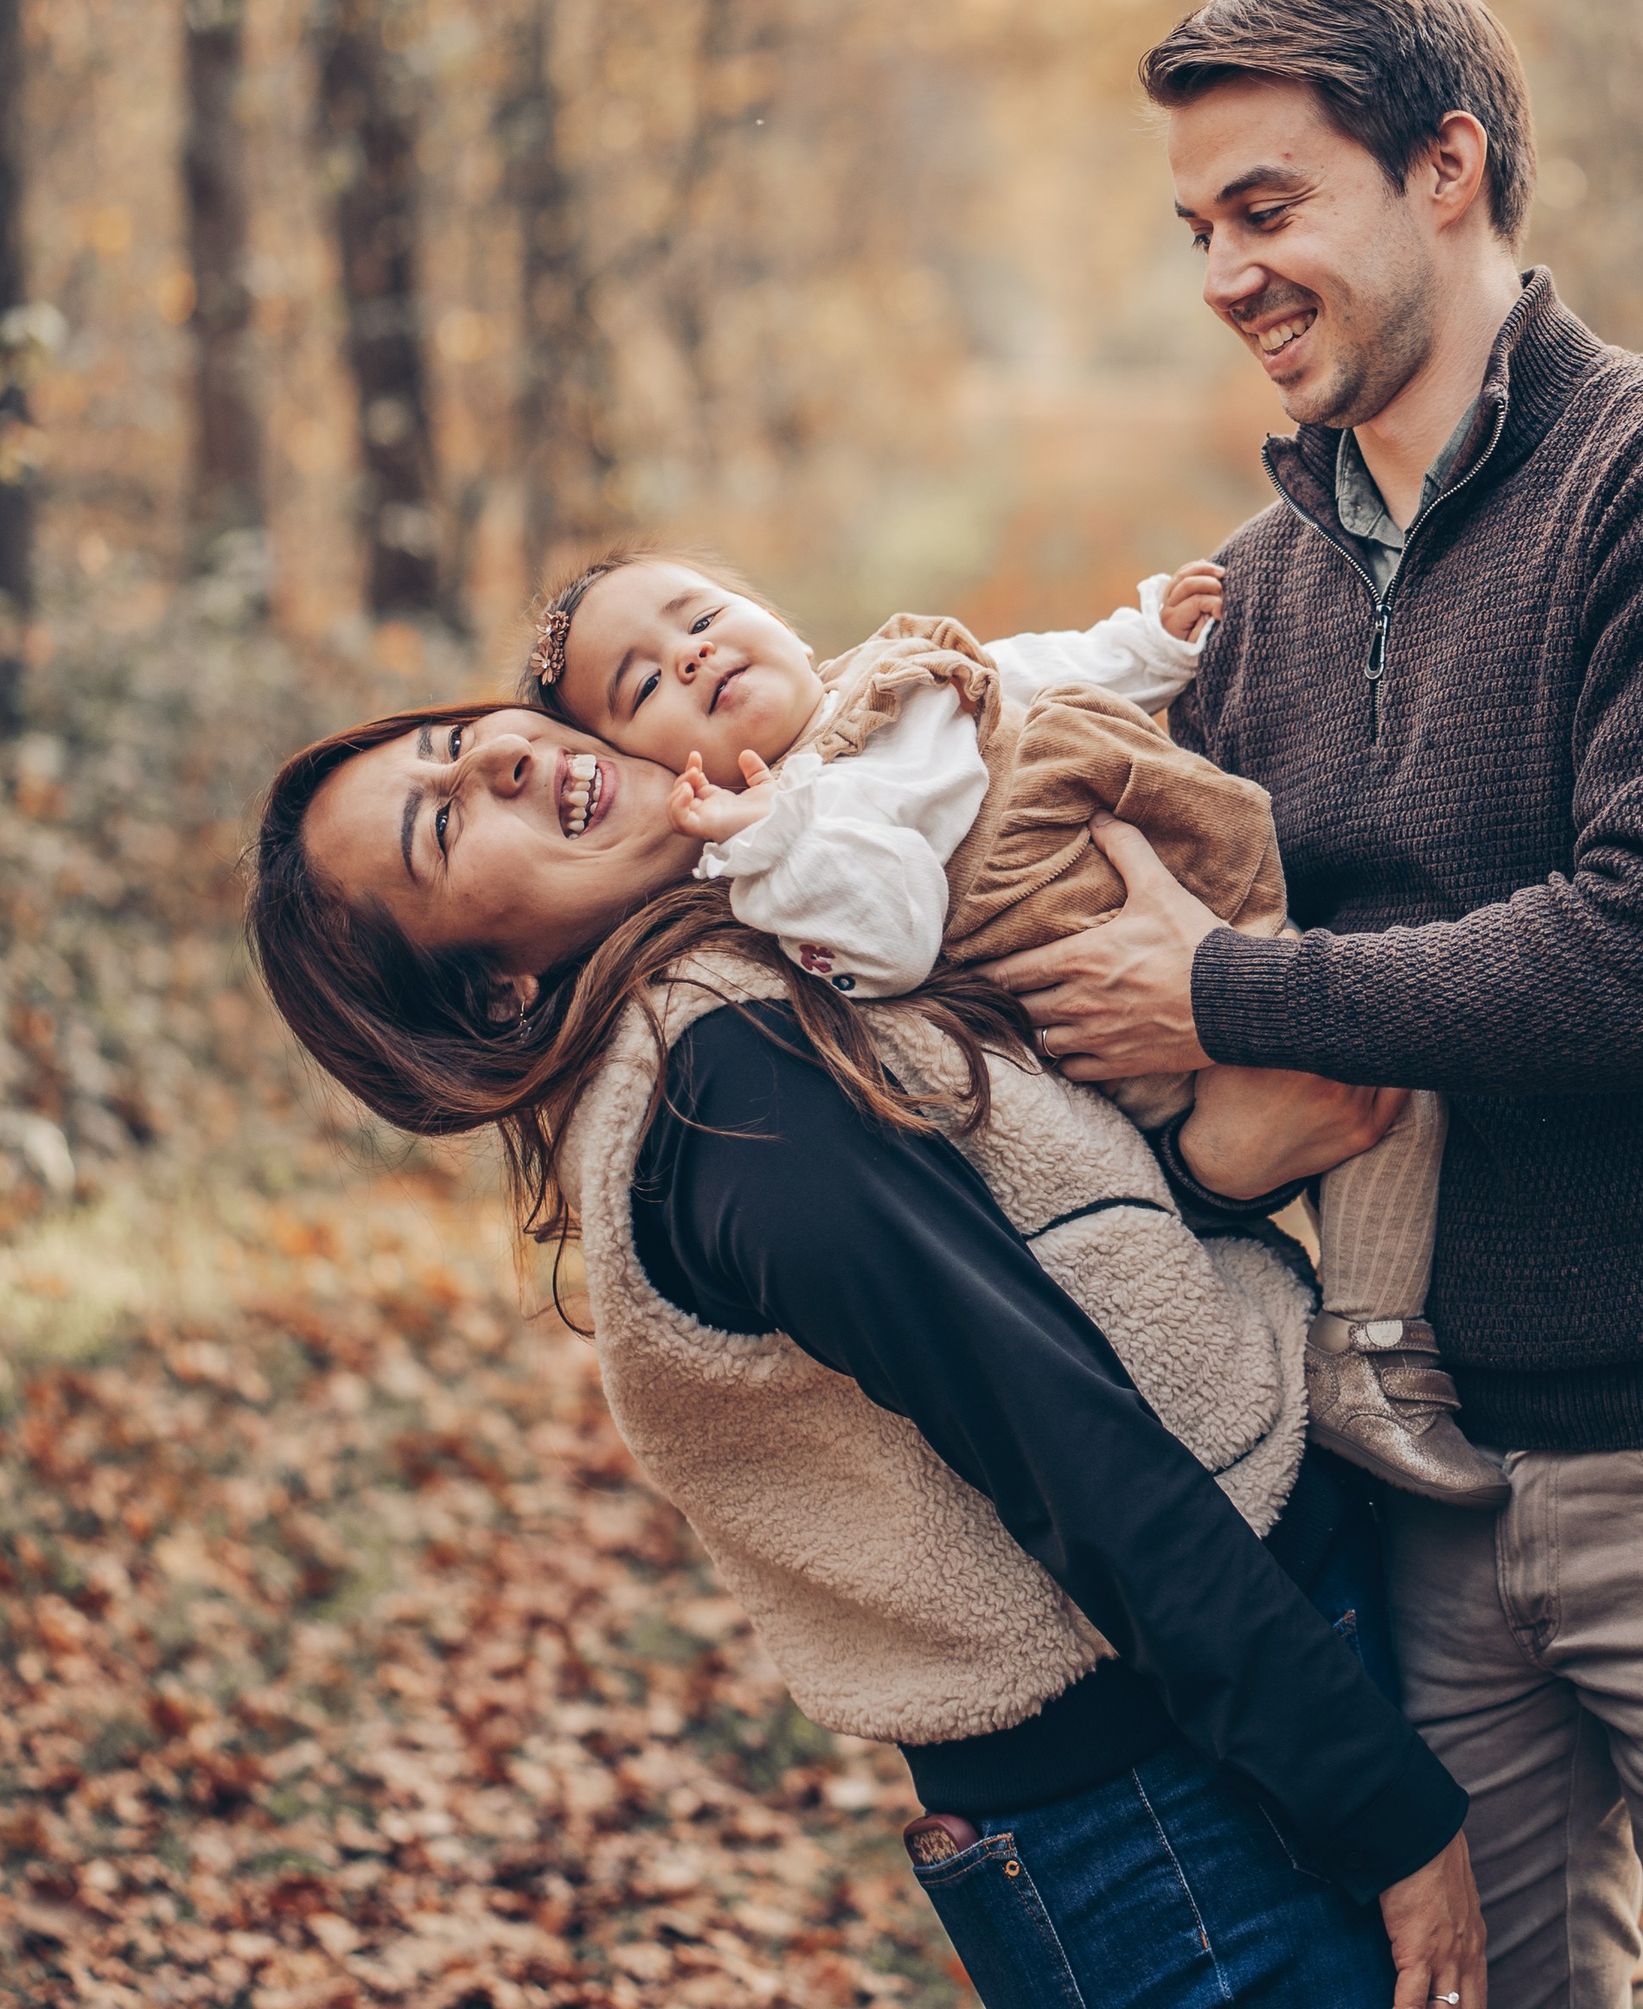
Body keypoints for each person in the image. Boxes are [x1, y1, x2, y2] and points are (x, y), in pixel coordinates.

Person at [986, 0, 1643, 2009]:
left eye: (1268, 209)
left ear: (1444, 167)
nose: (1223, 275)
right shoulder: (1247, 596)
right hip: (1419, 1476)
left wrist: (1230, 994)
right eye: (1194, 228)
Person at [244, 698, 1488, 2008]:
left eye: (454, 740)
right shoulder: (720, 1079)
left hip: (1214, 1737)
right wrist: (1388, 1820)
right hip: (1185, 1810)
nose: (492, 758)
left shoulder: (777, 968)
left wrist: (1213, 1170)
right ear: (492, 990)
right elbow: (1072, 1456)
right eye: (443, 822)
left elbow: (1057, 1273)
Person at [511, 543, 1502, 1506]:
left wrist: (1148, 644)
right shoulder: (795, 837)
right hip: (1106, 1002)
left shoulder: (899, 668)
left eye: (699, 616)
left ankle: (1397, 1329)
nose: (689, 653)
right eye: (642, 687)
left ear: (781, 623)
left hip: (1201, 929)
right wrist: (772, 842)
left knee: (1392, 1076)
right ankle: (1367, 1353)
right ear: (657, 773)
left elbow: (1038, 668)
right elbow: (890, 935)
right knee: (1387, 1092)